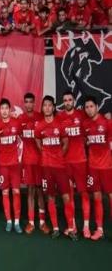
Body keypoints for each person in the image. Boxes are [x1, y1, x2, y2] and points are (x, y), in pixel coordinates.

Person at [35, 96, 78, 240]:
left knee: (66, 196)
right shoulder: (39, 126)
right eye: (44, 105)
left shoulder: (60, 124)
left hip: (60, 166)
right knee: (50, 197)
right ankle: (55, 228)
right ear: (42, 108)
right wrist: (44, 153)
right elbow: (37, 140)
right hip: (46, 167)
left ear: (53, 107)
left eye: (49, 105)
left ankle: (71, 228)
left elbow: (65, 142)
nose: (47, 108)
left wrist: (59, 155)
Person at [58, 91, 90, 238]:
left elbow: (93, 122)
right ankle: (73, 226)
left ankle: (86, 227)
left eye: (70, 100)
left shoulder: (82, 115)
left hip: (80, 161)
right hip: (66, 163)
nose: (67, 102)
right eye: (65, 100)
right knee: (68, 195)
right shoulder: (59, 117)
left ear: (74, 101)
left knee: (84, 194)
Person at [19, 92, 49, 234]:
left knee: (40, 191)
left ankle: (42, 222)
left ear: (34, 103)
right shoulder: (20, 119)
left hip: (41, 160)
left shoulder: (40, 117)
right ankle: (31, 222)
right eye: (26, 102)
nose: (29, 104)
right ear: (24, 103)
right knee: (30, 190)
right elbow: (19, 134)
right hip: (28, 160)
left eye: (31, 101)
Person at [82, 96, 111, 241]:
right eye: (87, 107)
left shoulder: (107, 122)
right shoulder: (85, 124)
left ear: (97, 107)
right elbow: (85, 141)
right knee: (97, 197)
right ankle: (100, 229)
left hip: (107, 167)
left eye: (91, 106)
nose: (89, 109)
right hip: (93, 167)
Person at [0, 98, 23, 233]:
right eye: (2, 108)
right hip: (3, 165)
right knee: (5, 192)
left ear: (10, 110)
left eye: (6, 108)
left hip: (15, 165)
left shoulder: (16, 123)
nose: (4, 111)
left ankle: (17, 222)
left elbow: (24, 134)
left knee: (16, 192)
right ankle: (9, 221)